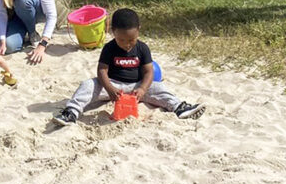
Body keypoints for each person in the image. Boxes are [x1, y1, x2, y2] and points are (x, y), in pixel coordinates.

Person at [52, 8, 205, 126]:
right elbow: (102, 70)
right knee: (87, 85)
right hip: (113, 85)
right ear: (113, 32)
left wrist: (143, 89)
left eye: (131, 40)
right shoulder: (109, 48)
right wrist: (110, 89)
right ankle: (71, 112)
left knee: (159, 88)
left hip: (136, 87)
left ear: (139, 30)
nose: (127, 44)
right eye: (121, 40)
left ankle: (179, 107)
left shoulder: (142, 48)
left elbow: (148, 71)